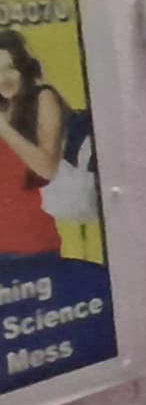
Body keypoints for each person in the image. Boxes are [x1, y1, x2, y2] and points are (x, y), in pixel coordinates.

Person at [0, 30, 73, 260]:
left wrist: (4, 129)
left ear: (23, 68)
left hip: (31, 245)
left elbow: (47, 168)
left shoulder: (43, 98)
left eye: (9, 68)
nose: (3, 78)